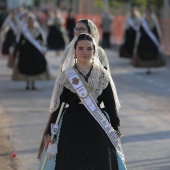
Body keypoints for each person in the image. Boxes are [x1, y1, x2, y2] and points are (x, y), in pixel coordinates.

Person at [38, 33, 126, 170]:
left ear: (94, 51)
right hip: (72, 126)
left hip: (98, 127)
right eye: (81, 48)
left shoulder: (102, 75)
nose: (85, 52)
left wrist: (116, 128)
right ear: (74, 51)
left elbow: (111, 105)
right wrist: (51, 132)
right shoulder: (66, 76)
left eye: (89, 49)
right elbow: (56, 108)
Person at [12, 13, 51, 90]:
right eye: (29, 21)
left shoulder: (37, 30)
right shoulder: (24, 30)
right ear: (27, 22)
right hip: (25, 51)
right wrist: (18, 50)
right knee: (26, 67)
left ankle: (33, 83)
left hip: (35, 51)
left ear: (34, 22)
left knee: (34, 67)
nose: (30, 23)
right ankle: (27, 83)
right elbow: (20, 41)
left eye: (32, 21)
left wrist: (43, 48)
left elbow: (42, 40)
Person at [133, 7, 166, 74]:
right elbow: (140, 30)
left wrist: (158, 39)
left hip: (151, 42)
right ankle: (146, 66)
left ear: (150, 13)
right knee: (144, 54)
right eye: (147, 13)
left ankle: (149, 67)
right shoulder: (143, 21)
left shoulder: (153, 21)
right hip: (144, 41)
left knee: (151, 54)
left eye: (149, 13)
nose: (148, 14)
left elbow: (156, 31)